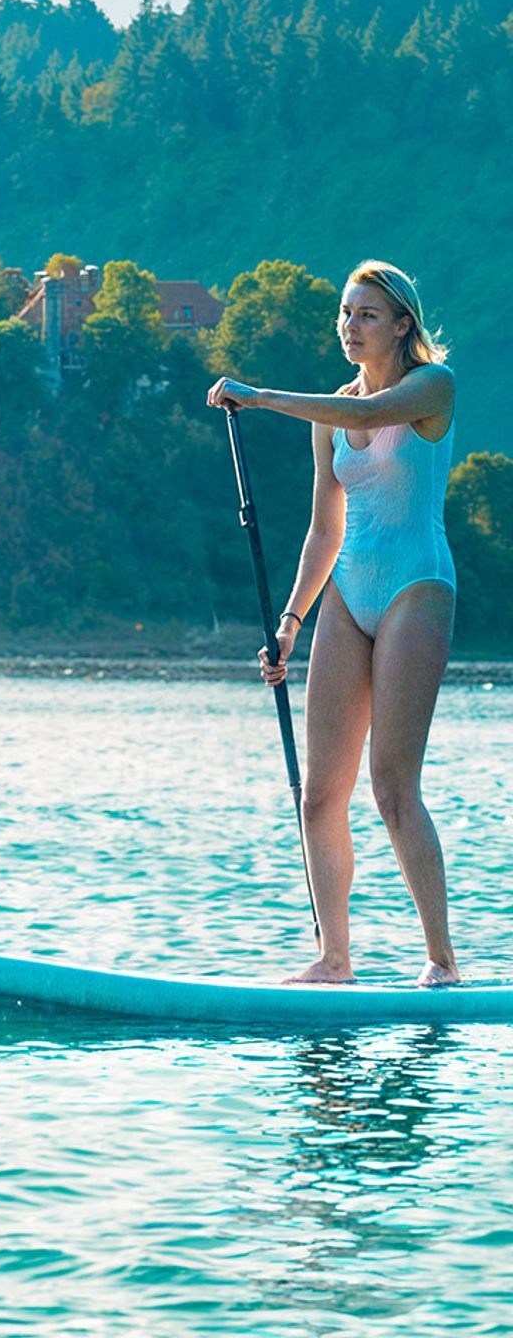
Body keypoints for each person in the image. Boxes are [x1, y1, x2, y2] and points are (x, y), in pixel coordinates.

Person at [206, 260, 457, 987]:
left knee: (391, 786)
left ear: (402, 324)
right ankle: (335, 959)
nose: (350, 326)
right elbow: (324, 530)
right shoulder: (331, 410)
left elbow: (369, 417)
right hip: (349, 590)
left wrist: (259, 397)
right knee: (321, 791)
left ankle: (441, 963)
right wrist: (289, 623)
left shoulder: (432, 388)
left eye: (367, 315)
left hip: (418, 587)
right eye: (345, 314)